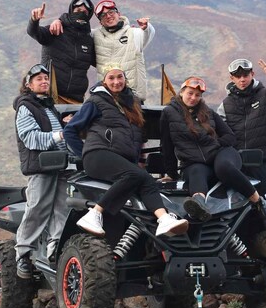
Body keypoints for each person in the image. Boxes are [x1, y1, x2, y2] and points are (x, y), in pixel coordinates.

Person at [62, 64, 188, 237]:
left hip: (120, 161)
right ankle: (94, 213)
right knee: (136, 175)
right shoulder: (95, 101)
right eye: (111, 78)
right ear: (104, 81)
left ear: (125, 79)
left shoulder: (132, 104)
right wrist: (83, 155)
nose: (116, 82)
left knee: (147, 180)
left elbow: (136, 140)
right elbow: (70, 131)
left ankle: (164, 219)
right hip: (98, 155)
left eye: (120, 77)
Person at [160, 76, 266, 230]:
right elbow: (166, 145)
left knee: (223, 168)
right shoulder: (168, 113)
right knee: (196, 172)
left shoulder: (207, 112)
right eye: (190, 93)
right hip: (194, 162)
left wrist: (215, 145)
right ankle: (198, 205)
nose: (193, 98)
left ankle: (259, 202)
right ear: (182, 92)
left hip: (222, 154)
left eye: (197, 95)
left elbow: (229, 136)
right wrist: (170, 173)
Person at [13, 63, 71, 278]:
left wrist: (63, 127)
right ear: (28, 84)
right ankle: (24, 255)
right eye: (38, 79)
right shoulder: (26, 106)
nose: (44, 81)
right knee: (37, 209)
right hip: (41, 166)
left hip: (60, 165)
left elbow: (53, 132)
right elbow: (30, 138)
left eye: (46, 78)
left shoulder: (48, 106)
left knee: (62, 210)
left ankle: (54, 250)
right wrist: (60, 135)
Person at [217, 58, 266, 202]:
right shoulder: (225, 105)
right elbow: (218, 134)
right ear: (231, 78)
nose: (242, 80)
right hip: (237, 166)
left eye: (245, 75)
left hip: (261, 164)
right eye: (238, 76)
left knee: (264, 207)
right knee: (236, 209)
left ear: (252, 74)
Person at [26, 0, 95, 103]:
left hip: (76, 100)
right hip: (51, 95)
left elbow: (102, 60)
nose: (81, 14)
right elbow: (35, 33)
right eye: (78, 10)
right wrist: (34, 20)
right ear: (71, 11)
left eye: (85, 12)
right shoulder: (56, 29)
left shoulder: (88, 40)